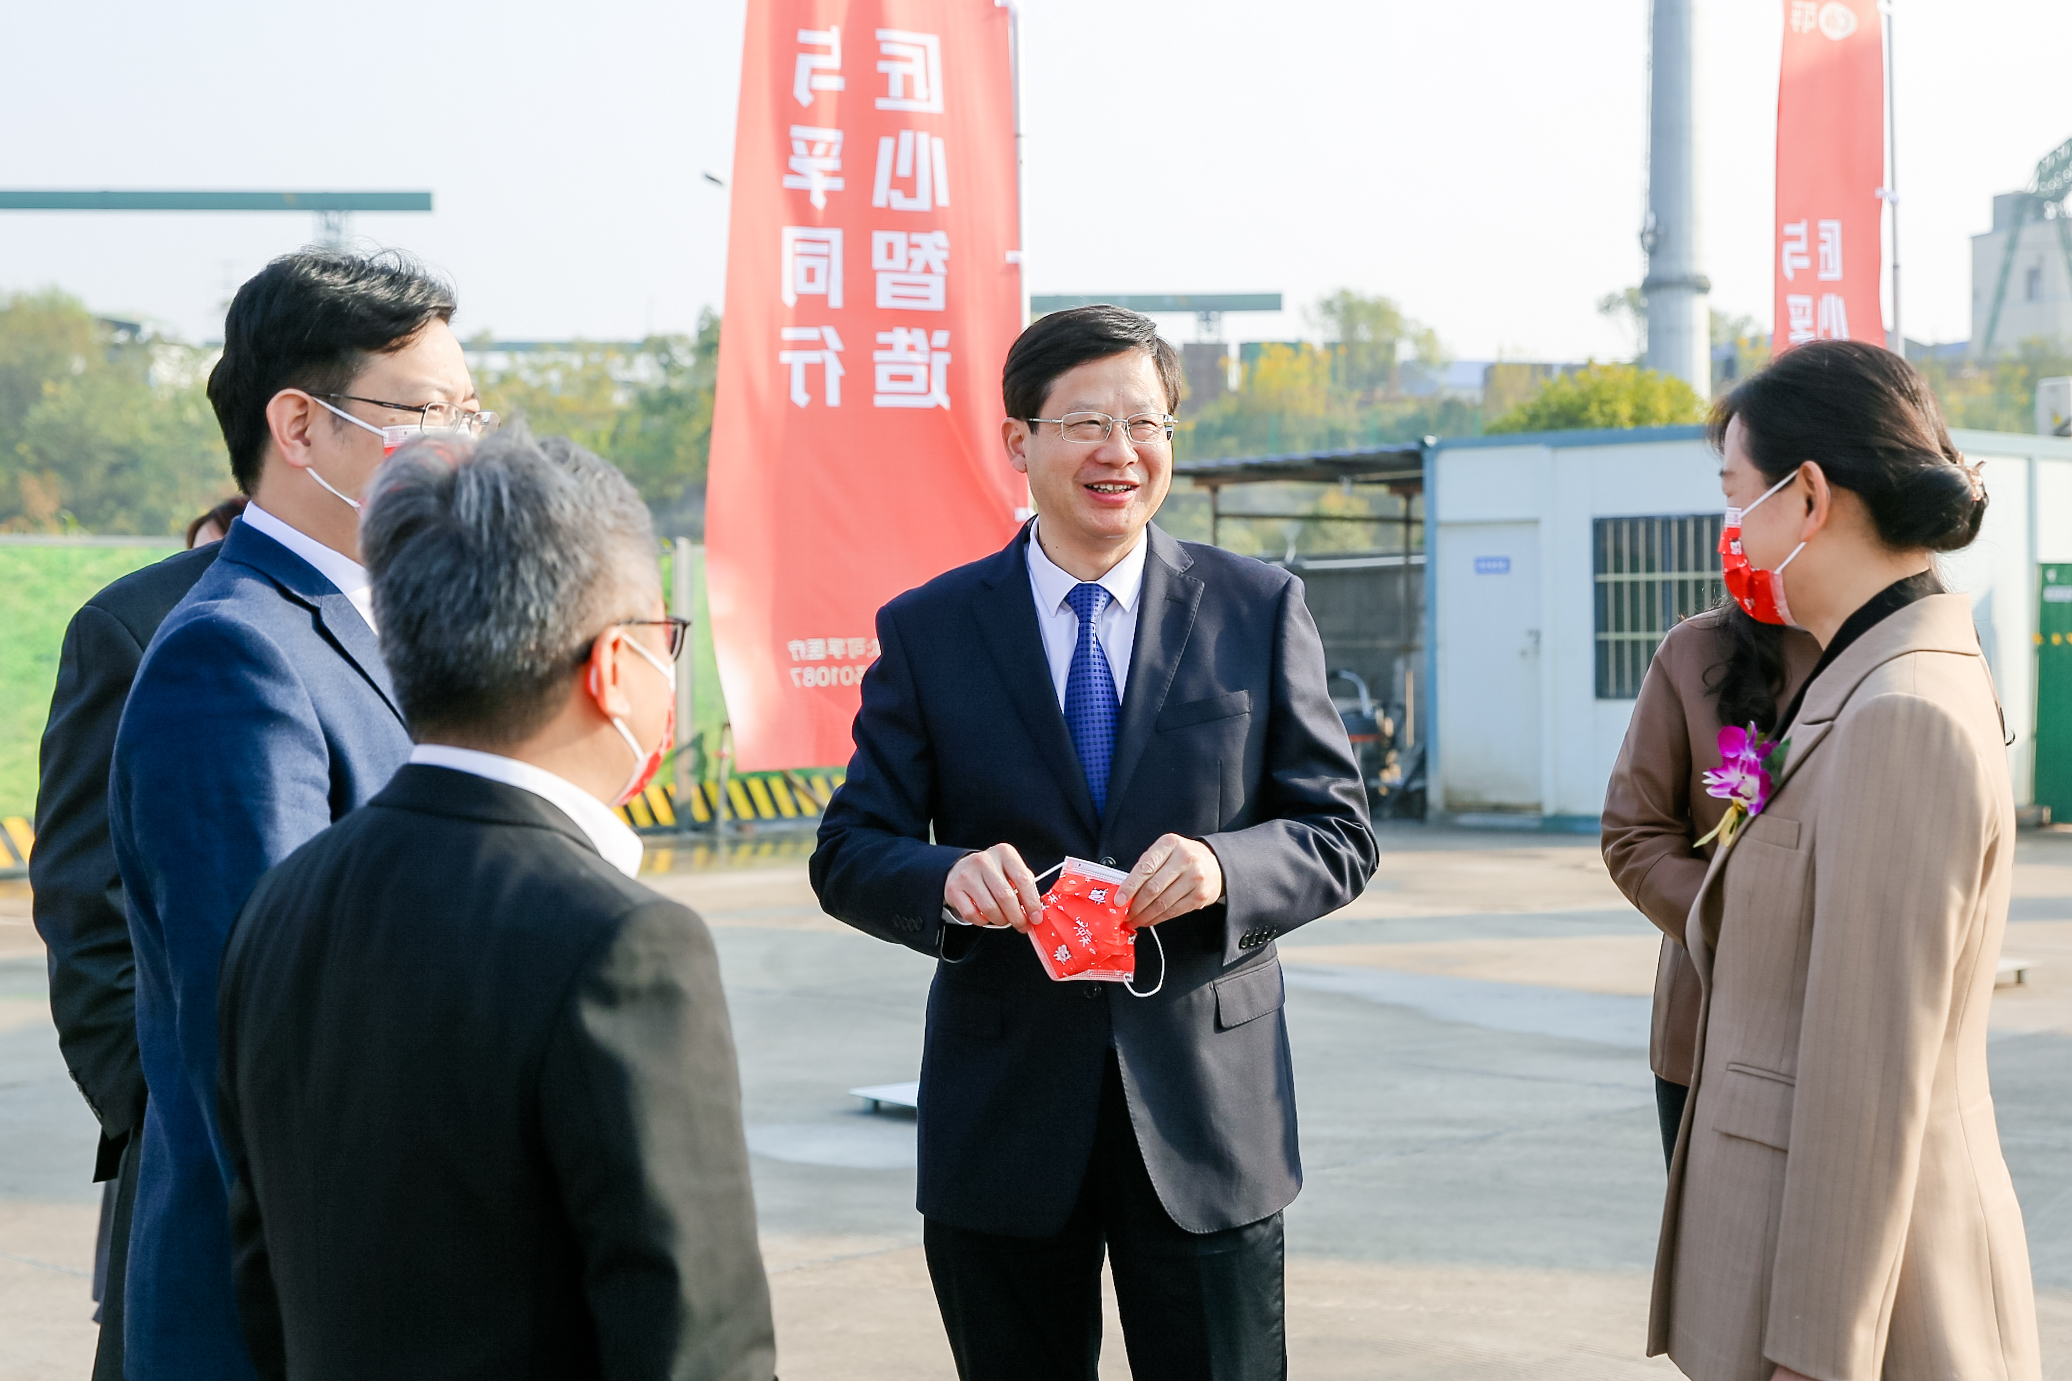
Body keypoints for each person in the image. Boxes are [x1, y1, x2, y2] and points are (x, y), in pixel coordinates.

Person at [811, 305, 1377, 1380]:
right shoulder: (930, 630)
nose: (1119, 451)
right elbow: (849, 848)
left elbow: (1338, 831)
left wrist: (1222, 866)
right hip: (1004, 1114)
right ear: (1017, 440)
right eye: (1084, 423)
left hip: (1207, 1117)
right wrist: (945, 876)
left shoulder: (1256, 608)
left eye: (1144, 422)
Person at [215, 432, 774, 1381]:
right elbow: (696, 1339)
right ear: (614, 665)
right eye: (665, 637)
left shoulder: (282, 903)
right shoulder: (624, 942)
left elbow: (262, 1277)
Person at [108, 249, 491, 1378]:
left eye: (471, 412)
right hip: (291, 1308)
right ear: (299, 425)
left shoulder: (394, 628)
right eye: (426, 411)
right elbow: (266, 1032)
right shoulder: (237, 654)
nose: (461, 444)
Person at [1648, 340, 2041, 1381]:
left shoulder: (1898, 713)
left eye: (1738, 495)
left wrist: (1819, 1354)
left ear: (1809, 496)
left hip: (1866, 1319)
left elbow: (1866, 1078)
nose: (1734, 529)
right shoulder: (1862, 678)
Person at [31, 526, 235, 1379]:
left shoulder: (454, 595)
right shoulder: (140, 622)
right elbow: (85, 900)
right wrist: (160, 1111)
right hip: (199, 1171)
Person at [1602, 602, 1818, 1168]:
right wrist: (1752, 926)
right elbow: (1636, 834)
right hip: (1713, 1028)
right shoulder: (1697, 650)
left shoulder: (1917, 648)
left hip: (1872, 1034)